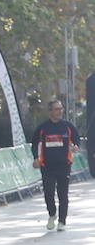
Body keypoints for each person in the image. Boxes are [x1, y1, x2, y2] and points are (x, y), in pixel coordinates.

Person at [30, 99, 81, 231]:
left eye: (61, 109)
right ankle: (52, 214)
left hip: (64, 165)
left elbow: (76, 140)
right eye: (57, 109)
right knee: (48, 193)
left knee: (63, 194)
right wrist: (36, 158)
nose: (60, 111)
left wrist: (76, 147)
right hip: (47, 165)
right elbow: (34, 144)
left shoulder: (68, 126)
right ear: (50, 111)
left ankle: (62, 221)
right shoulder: (42, 128)